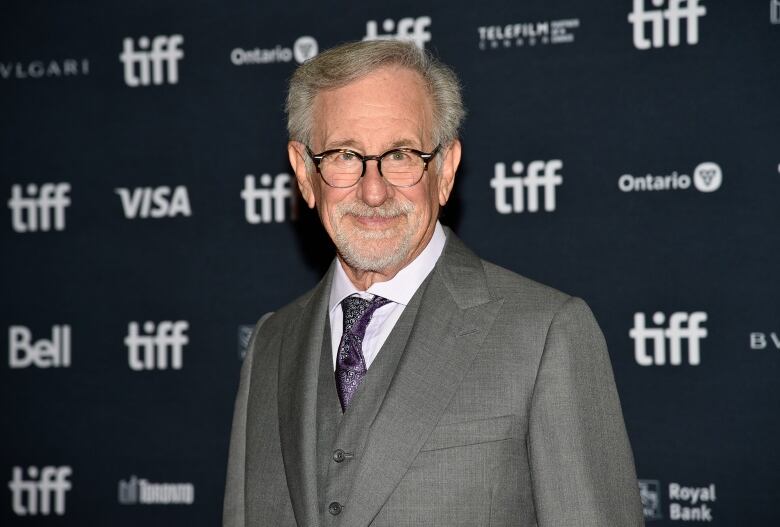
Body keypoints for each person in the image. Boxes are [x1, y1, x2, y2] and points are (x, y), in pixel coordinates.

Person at [223, 40, 643, 527]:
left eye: (400, 154)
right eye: (344, 154)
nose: (373, 190)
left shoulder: (546, 334)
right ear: (304, 173)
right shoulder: (270, 345)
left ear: (444, 169)